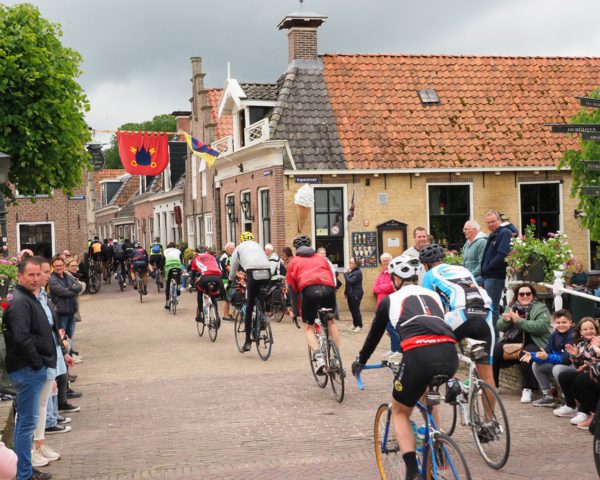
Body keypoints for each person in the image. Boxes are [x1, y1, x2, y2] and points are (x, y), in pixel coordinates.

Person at [351, 255, 458, 480]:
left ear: (395, 279)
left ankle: (411, 471)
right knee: (430, 396)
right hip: (449, 353)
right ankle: (437, 446)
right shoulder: (434, 295)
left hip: (418, 356)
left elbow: (374, 335)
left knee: (400, 410)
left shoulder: (389, 300)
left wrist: (361, 360)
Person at [3, 256, 56, 480]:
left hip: (31, 367)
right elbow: (21, 337)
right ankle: (24, 474)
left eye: (38, 275)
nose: (36, 279)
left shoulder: (27, 297)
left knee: (27, 422)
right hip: (28, 369)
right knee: (26, 423)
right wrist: (38, 363)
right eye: (31, 275)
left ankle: (25, 470)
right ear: (20, 276)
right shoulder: (20, 302)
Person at [420, 244, 496, 391]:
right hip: (486, 314)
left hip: (462, 313)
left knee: (431, 349)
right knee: (487, 376)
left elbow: (430, 306)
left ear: (426, 264)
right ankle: (490, 415)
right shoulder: (463, 269)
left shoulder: (430, 275)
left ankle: (450, 383)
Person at [32, 259, 73, 468]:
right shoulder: (30, 299)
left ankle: (39, 445)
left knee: (44, 399)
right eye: (43, 272)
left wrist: (64, 352)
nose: (47, 276)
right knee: (35, 404)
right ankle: (32, 449)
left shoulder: (43, 296)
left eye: (47, 272)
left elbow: (53, 326)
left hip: (51, 352)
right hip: (40, 357)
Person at [286, 235, 340, 374]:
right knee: (331, 322)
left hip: (309, 291)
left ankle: (319, 359)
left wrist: (295, 311)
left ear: (296, 249)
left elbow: (293, 289)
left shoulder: (294, 262)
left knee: (308, 327)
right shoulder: (321, 258)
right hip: (328, 289)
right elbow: (332, 277)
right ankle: (336, 360)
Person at [492, 284, 551, 404]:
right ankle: (493, 385)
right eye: (521, 294)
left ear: (533, 295)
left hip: (533, 340)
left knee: (527, 356)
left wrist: (519, 321)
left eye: (528, 294)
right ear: (517, 295)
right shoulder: (511, 306)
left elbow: (541, 327)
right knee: (494, 352)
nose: (525, 296)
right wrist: (505, 321)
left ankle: (527, 389)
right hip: (511, 341)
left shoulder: (541, 308)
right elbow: (499, 326)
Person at [521, 309, 574, 408]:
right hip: (558, 363)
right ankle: (549, 397)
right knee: (536, 365)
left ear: (570, 323)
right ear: (554, 323)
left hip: (571, 366)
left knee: (557, 368)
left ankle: (566, 398)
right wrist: (533, 356)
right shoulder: (553, 335)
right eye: (558, 322)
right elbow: (546, 353)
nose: (561, 325)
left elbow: (566, 359)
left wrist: (547, 357)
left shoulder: (572, 336)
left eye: (564, 322)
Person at [229, 232, 272, 352]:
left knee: (249, 307)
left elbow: (233, 268)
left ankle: (248, 341)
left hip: (252, 273)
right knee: (261, 296)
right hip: (267, 272)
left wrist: (230, 281)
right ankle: (263, 317)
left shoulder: (239, 248)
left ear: (241, 240)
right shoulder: (258, 246)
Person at [555, 317, 600, 429]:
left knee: (581, 379)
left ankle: (593, 414)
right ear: (580, 332)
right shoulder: (580, 345)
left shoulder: (598, 341)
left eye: (591, 328)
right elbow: (578, 366)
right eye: (585, 329)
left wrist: (591, 351)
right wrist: (576, 356)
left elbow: (595, 359)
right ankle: (572, 406)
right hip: (588, 373)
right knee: (565, 376)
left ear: (596, 329)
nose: (589, 331)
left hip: (597, 374)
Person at [479, 211, 517, 326]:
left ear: (499, 221)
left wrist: (488, 267)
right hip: (487, 275)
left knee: (492, 307)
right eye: (488, 222)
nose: (490, 224)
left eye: (493, 221)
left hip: (495, 276)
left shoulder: (504, 232)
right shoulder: (495, 233)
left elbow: (502, 255)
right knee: (470, 284)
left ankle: (494, 337)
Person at [48, 256, 82, 358]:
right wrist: (73, 290)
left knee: (69, 336)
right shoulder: (52, 279)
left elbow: (79, 286)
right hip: (61, 312)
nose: (59, 268)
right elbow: (62, 292)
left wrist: (70, 288)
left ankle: (70, 357)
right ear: (53, 267)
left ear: (64, 266)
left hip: (71, 311)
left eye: (60, 265)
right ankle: (67, 359)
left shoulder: (68, 276)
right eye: (56, 266)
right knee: (63, 338)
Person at [373, 252, 400, 353]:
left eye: (387, 260)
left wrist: (381, 287)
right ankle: (394, 349)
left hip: (391, 303)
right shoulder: (382, 273)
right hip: (381, 304)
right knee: (389, 328)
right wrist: (383, 287)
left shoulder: (393, 273)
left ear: (391, 260)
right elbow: (374, 289)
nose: (385, 263)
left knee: (390, 327)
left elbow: (392, 286)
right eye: (383, 261)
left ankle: (398, 350)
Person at [190, 246, 222, 321]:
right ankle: (216, 317)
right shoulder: (212, 257)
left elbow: (193, 273)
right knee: (213, 297)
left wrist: (192, 283)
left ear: (197, 253)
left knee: (200, 293)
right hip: (217, 277)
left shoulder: (195, 259)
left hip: (206, 277)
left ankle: (200, 314)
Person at [344, 257, 364, 332]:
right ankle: (355, 324)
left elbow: (351, 281)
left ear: (355, 264)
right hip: (350, 294)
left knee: (356, 310)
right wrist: (346, 292)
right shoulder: (352, 272)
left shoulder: (358, 272)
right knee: (352, 310)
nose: (349, 264)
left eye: (350, 262)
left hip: (356, 294)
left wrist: (345, 274)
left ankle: (359, 325)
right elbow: (348, 284)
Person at [163, 242, 184, 309]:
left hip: (169, 267)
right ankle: (178, 290)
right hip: (177, 265)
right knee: (178, 280)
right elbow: (181, 261)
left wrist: (161, 269)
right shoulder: (178, 251)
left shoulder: (165, 251)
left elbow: (163, 261)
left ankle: (167, 302)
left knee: (168, 283)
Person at [282, 246, 300, 321]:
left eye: (283, 253)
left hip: (292, 279)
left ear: (287, 253)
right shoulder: (285, 260)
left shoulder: (292, 259)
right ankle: (292, 311)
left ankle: (295, 312)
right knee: (289, 295)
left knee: (293, 296)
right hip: (287, 278)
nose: (283, 254)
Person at [220, 242, 235, 321]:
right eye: (231, 248)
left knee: (229, 297)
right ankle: (225, 316)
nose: (233, 250)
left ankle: (228, 314)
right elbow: (228, 268)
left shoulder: (229, 256)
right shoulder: (225, 257)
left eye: (233, 248)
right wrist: (237, 273)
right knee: (227, 298)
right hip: (225, 279)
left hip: (229, 278)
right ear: (227, 249)